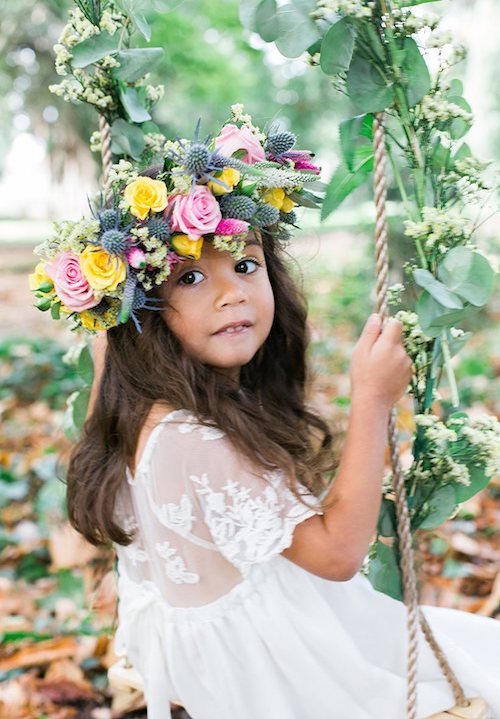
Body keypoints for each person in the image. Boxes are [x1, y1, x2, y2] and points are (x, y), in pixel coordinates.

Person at [31, 111, 500, 718]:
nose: (232, 293)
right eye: (191, 276)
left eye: (246, 265)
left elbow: (106, 342)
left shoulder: (128, 400)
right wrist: (373, 399)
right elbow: (334, 557)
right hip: (287, 677)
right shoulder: (195, 441)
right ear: (141, 313)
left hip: (238, 661)